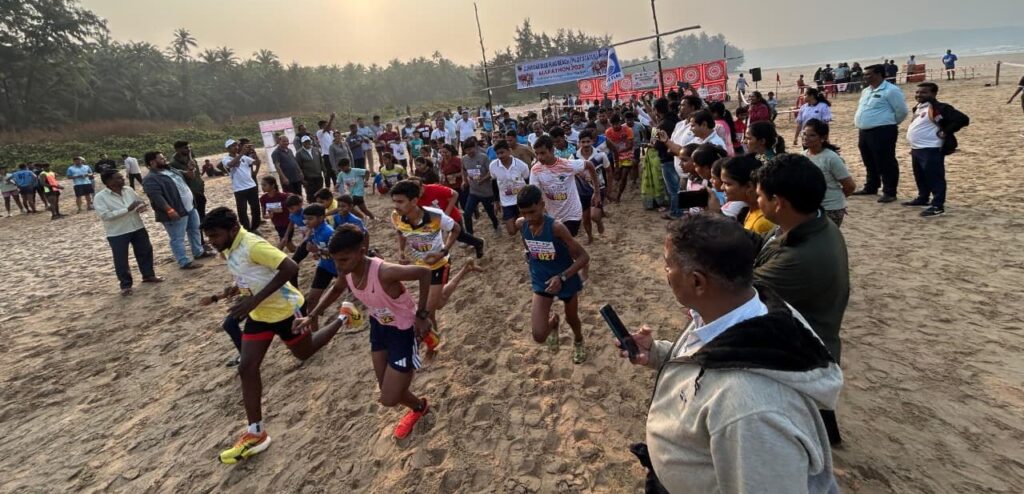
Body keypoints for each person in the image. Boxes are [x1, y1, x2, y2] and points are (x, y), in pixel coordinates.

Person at [615, 213, 842, 493]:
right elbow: (710, 355)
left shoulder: (751, 411)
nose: (665, 273)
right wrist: (659, 353)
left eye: (667, 265)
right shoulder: (738, 309)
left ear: (697, 282)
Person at [202, 208, 341, 464]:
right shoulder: (229, 247)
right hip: (260, 316)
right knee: (247, 367)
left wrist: (254, 299)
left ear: (233, 229)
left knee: (306, 352)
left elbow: (289, 267)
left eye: (214, 236)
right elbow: (252, 273)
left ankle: (343, 315)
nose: (211, 241)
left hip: (287, 310)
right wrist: (237, 291)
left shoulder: (253, 245)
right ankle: (256, 432)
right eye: (209, 236)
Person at [296, 224, 434, 439]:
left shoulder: (385, 272)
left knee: (389, 398)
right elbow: (337, 288)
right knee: (385, 388)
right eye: (335, 260)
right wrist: (312, 316)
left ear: (361, 253)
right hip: (379, 326)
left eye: (343, 259)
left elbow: (425, 273)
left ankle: (425, 339)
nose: (338, 266)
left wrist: (422, 315)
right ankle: (419, 407)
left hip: (403, 330)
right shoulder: (348, 271)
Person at [751, 153, 850, 447]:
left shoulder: (800, 258)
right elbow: (765, 244)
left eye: (759, 196)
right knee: (817, 411)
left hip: (800, 353)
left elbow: (738, 295)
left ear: (778, 202)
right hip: (816, 337)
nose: (757, 202)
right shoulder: (812, 223)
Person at [390, 180, 481, 350]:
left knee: (426, 312)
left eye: (400, 201)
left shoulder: (435, 215)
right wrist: (401, 252)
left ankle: (433, 345)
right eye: (394, 201)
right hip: (420, 268)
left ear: (414, 201)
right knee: (438, 303)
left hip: (439, 265)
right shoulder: (396, 216)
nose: (396, 206)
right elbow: (400, 232)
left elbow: (456, 229)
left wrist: (443, 251)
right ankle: (466, 269)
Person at [516, 185, 590, 363]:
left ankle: (579, 340)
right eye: (524, 213)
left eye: (532, 212)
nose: (529, 218)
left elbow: (583, 257)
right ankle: (554, 323)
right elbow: (528, 247)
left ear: (542, 205)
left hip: (566, 279)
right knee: (539, 335)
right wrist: (530, 257)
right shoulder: (522, 225)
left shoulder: (557, 228)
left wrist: (562, 277)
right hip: (541, 280)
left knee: (572, 319)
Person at [903, 82, 970, 217]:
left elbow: (963, 119)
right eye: (917, 92)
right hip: (917, 148)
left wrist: (946, 131)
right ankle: (923, 198)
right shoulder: (918, 107)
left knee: (935, 177)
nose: (919, 95)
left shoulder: (940, 107)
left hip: (931, 148)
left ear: (933, 94)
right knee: (920, 176)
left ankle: (937, 205)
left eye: (923, 92)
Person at [94, 169, 163, 295]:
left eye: (122, 177)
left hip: (137, 226)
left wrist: (141, 206)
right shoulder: (100, 197)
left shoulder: (128, 190)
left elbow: (139, 201)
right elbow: (105, 215)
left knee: (145, 251)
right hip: (118, 232)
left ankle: (148, 275)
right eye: (118, 178)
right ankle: (125, 285)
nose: (122, 179)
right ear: (109, 181)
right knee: (121, 259)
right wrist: (127, 209)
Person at [142, 151, 210, 269]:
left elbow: (189, 176)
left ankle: (198, 252)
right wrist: (169, 210)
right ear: (152, 162)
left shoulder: (170, 170)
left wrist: (191, 169)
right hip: (175, 211)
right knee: (177, 237)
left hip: (189, 207)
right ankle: (184, 262)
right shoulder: (151, 178)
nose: (164, 160)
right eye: (161, 159)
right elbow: (156, 197)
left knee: (194, 230)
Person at [853, 64, 909, 203]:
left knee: (885, 161)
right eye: (865, 74)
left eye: (868, 74)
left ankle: (889, 191)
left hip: (882, 130)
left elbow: (901, 111)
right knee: (869, 160)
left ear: (879, 74)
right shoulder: (866, 91)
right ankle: (871, 186)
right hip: (864, 131)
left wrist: (888, 122)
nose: (865, 77)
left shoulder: (891, 90)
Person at [529, 136, 601, 238]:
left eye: (543, 153)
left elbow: (589, 165)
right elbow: (534, 193)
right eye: (537, 154)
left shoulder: (567, 165)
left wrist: (597, 192)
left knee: (565, 241)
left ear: (552, 150)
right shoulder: (535, 170)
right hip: (551, 215)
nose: (539, 157)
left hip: (572, 214)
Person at [802, 119, 856, 226]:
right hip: (811, 208)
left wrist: (836, 201)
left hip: (830, 209)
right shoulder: (803, 155)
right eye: (804, 134)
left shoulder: (831, 158)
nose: (805, 138)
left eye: (812, 135)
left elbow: (850, 186)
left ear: (823, 138)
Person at [721, 154, 774, 234]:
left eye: (728, 184)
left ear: (749, 186)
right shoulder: (752, 209)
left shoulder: (762, 223)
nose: (722, 188)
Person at [489, 139, 531, 236]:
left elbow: (527, 181)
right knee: (511, 231)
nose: (500, 156)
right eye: (497, 153)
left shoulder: (521, 165)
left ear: (509, 151)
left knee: (524, 229)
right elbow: (494, 183)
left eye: (502, 152)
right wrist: (496, 201)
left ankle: (527, 247)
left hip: (522, 201)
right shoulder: (493, 166)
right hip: (506, 202)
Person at [460, 137, 498, 236]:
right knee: (467, 214)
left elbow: (491, 171)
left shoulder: (483, 157)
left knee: (491, 213)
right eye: (466, 150)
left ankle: (496, 226)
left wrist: (483, 179)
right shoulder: (464, 159)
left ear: (475, 147)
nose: (469, 152)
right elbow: (463, 170)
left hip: (486, 192)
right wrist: (464, 181)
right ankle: (470, 234)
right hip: (473, 191)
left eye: (471, 149)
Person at [222, 139, 263, 230]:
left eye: (236, 145)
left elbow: (257, 162)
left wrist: (254, 152)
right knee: (242, 211)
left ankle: (254, 227)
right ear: (228, 149)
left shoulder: (244, 157)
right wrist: (242, 153)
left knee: (256, 208)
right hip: (239, 188)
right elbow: (230, 164)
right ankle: (246, 229)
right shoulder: (226, 159)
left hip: (251, 186)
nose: (236, 147)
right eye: (233, 146)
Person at [169, 141, 207, 224]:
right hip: (189, 195)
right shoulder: (173, 164)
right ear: (178, 150)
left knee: (202, 218)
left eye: (189, 147)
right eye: (186, 148)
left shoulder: (192, 160)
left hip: (199, 191)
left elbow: (197, 176)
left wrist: (201, 185)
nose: (189, 149)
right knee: (195, 221)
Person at [605, 114, 636, 202]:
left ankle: (618, 195)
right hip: (615, 155)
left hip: (627, 154)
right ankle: (613, 192)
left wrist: (619, 151)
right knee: (617, 176)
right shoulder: (608, 132)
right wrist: (616, 155)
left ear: (620, 123)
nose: (616, 126)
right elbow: (609, 146)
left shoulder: (627, 130)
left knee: (624, 176)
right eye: (613, 124)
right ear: (611, 124)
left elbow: (630, 146)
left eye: (617, 124)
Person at [259, 176, 291, 242]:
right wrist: (269, 216)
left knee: (283, 242)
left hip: (287, 223)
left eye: (264, 185)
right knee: (289, 245)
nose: (262, 187)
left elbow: (295, 199)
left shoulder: (283, 196)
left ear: (273, 185)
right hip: (277, 224)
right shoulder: (263, 198)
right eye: (261, 185)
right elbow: (264, 215)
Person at [297, 135, 325, 203]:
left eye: (308, 141)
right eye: (305, 142)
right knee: (311, 195)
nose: (307, 143)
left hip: (318, 176)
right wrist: (302, 180)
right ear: (302, 143)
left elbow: (321, 161)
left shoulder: (316, 149)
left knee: (320, 193)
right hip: (308, 178)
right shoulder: (299, 153)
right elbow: (298, 167)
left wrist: (324, 170)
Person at [316, 113, 337, 187]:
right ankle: (328, 186)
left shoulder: (330, 133)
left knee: (334, 170)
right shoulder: (319, 133)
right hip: (326, 155)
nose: (328, 126)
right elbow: (327, 127)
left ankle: (336, 185)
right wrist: (331, 118)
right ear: (322, 126)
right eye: (326, 125)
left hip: (332, 154)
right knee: (328, 172)